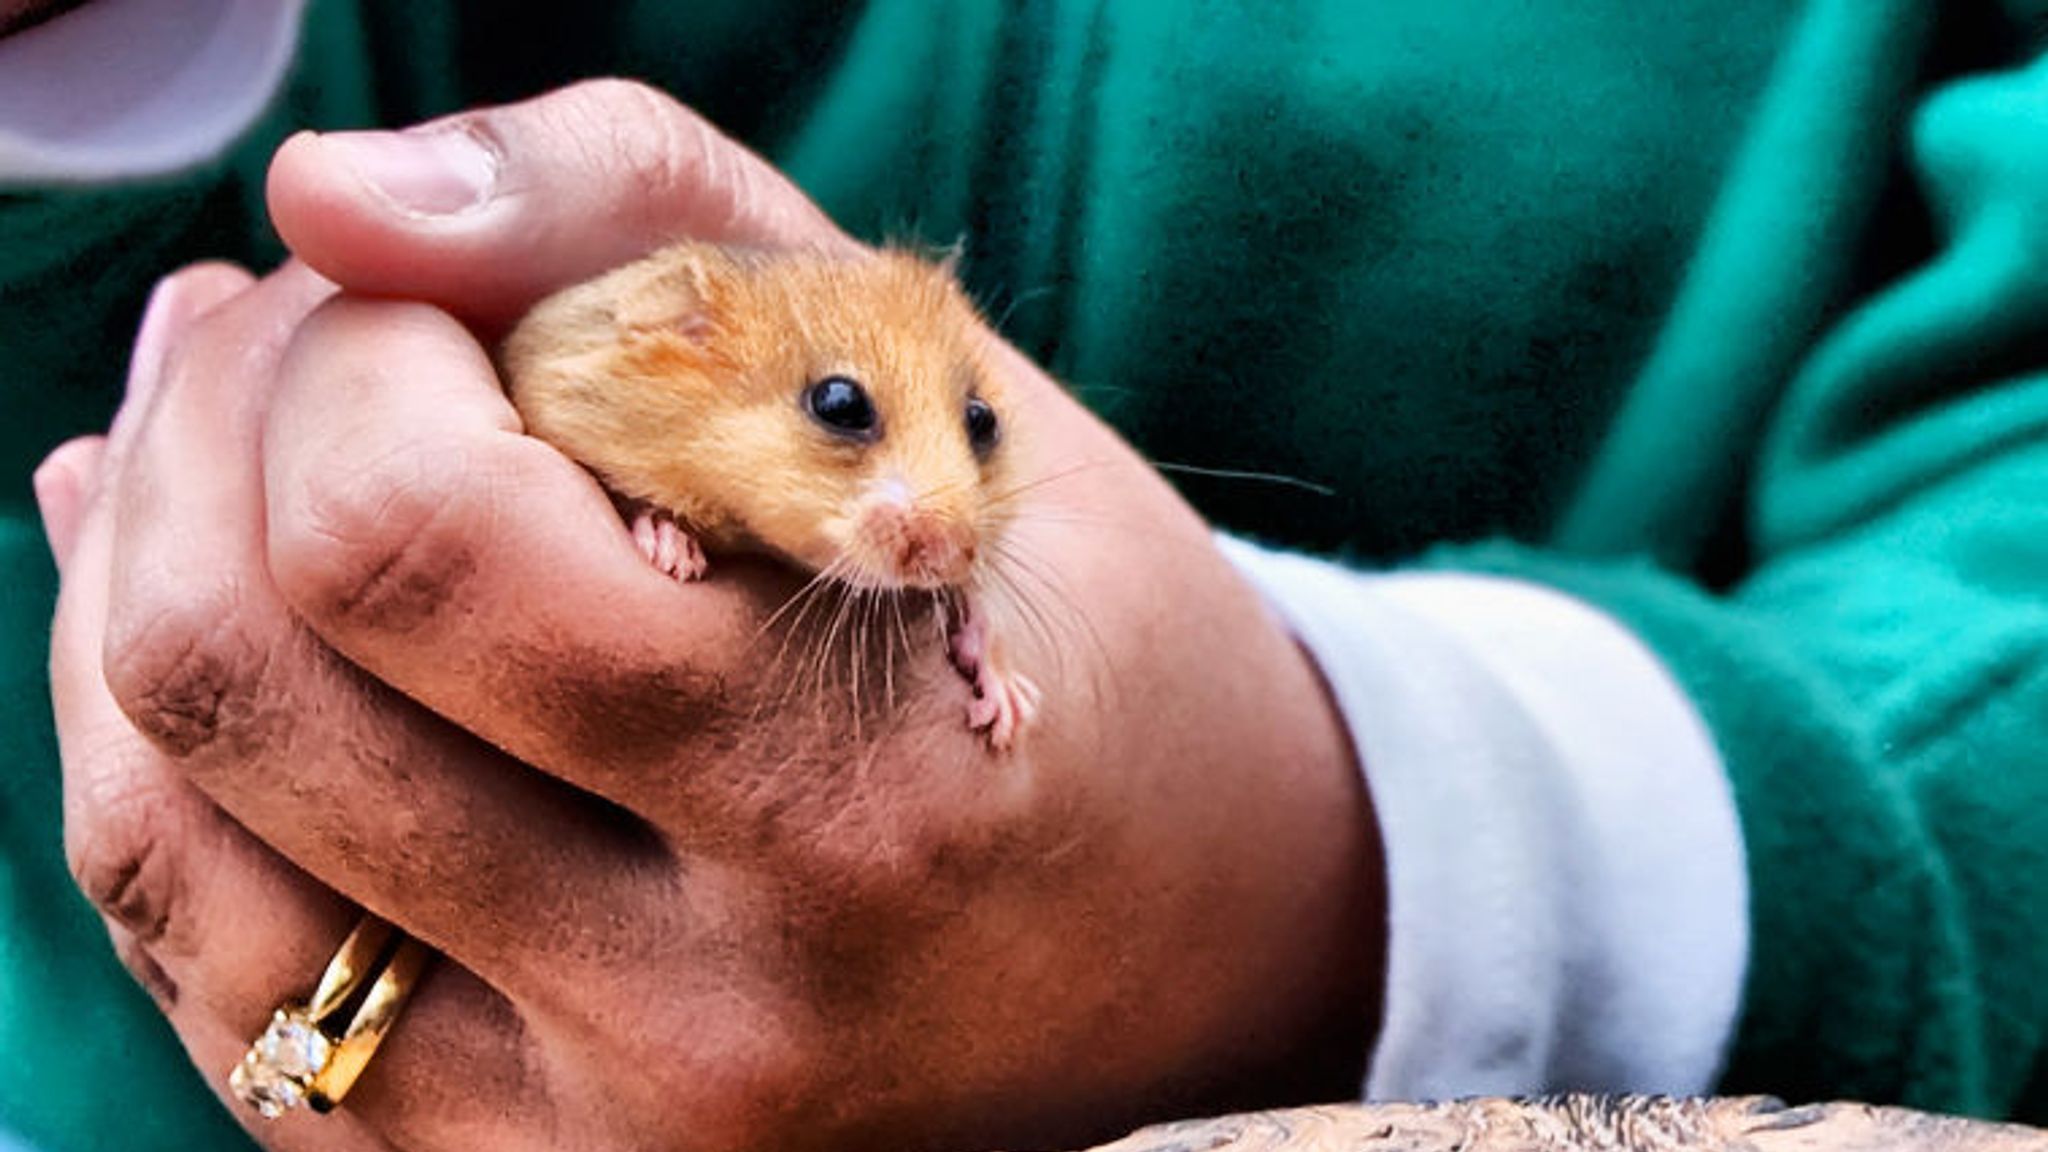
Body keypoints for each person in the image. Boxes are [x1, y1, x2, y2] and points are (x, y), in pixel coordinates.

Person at [4, 1, 2047, 1150]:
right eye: (845, 430)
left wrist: (1429, 839)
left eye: (967, 438)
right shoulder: (635, 374)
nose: (930, 511)